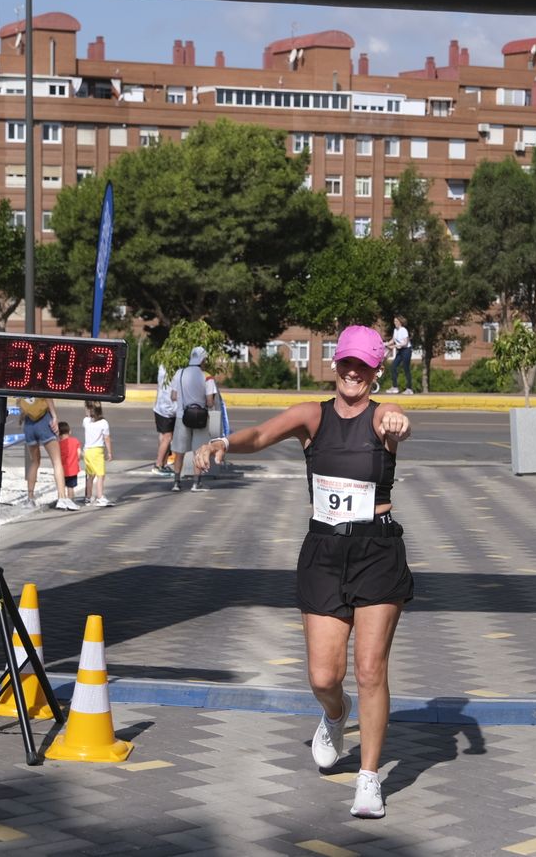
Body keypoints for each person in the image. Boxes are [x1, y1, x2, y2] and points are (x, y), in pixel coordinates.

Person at [193, 325, 413, 820]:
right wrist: (224, 441)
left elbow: (400, 423)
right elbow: (260, 435)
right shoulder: (312, 416)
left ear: (376, 372)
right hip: (323, 551)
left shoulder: (385, 419)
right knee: (323, 675)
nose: (354, 372)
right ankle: (336, 714)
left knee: (370, 668)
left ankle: (369, 777)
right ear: (336, 366)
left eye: (364, 365)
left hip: (377, 550)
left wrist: (398, 420)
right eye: (346, 363)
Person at [168, 346, 216, 492]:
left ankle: (176, 483)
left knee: (179, 451)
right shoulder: (207, 376)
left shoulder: (179, 373)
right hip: (200, 419)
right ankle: (196, 483)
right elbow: (210, 402)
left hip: (182, 417)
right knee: (199, 451)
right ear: (202, 359)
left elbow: (173, 396)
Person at [18, 395, 78, 510]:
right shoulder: (40, 378)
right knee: (56, 461)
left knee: (34, 462)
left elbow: (20, 404)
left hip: (29, 424)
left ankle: (30, 498)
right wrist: (55, 416)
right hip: (44, 421)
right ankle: (62, 497)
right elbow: (47, 397)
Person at [81, 402, 114, 506]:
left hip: (87, 451)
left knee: (90, 475)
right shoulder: (104, 423)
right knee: (100, 475)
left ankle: (88, 497)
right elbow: (106, 438)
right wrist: (109, 452)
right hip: (97, 451)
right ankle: (100, 497)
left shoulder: (86, 421)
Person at [151, 363, 177, 475]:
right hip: (168, 409)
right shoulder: (176, 372)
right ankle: (158, 465)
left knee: (163, 436)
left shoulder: (162, 366)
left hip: (159, 407)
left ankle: (163, 464)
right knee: (168, 437)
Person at [57, 421, 83, 506]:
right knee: (70, 487)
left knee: (62, 486)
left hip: (62, 470)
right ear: (70, 431)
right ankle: (71, 501)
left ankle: (62, 500)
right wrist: (76, 460)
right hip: (73, 469)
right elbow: (79, 453)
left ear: (59, 434)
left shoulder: (59, 444)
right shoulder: (75, 441)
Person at [386, 316, 414, 394]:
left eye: (396, 321)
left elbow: (405, 343)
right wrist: (387, 344)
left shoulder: (403, 330)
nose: (395, 323)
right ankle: (395, 387)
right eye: (394, 321)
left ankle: (409, 389)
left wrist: (394, 346)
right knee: (393, 366)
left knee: (406, 369)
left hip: (406, 350)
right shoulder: (395, 330)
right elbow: (393, 340)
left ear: (400, 322)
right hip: (400, 351)